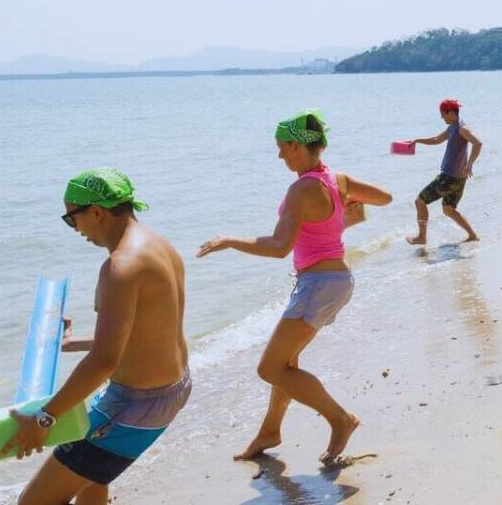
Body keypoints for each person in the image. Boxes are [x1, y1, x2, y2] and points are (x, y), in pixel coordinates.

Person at [197, 110, 392, 463]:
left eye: (281, 148)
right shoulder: (337, 178)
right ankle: (270, 431)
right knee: (287, 361)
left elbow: (278, 247)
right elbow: (384, 198)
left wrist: (229, 240)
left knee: (269, 368)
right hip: (336, 281)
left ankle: (340, 419)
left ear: (297, 146)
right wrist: (341, 214)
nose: (279, 156)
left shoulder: (302, 188)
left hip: (318, 284)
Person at [6, 168, 191, 505]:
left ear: (96, 212)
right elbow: (149, 333)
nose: (75, 229)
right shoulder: (158, 245)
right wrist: (72, 343)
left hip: (135, 407)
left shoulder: (121, 266)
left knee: (33, 502)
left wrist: (44, 418)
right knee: (91, 482)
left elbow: (104, 362)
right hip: (170, 390)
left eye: (71, 218)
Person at [404, 99, 483, 244]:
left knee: (420, 201)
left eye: (443, 115)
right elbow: (436, 139)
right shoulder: (452, 127)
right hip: (458, 178)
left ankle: (421, 237)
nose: (441, 118)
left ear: (451, 113)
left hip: (449, 177)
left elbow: (478, 143)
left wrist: (470, 163)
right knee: (448, 209)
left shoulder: (461, 128)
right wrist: (417, 140)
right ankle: (472, 235)